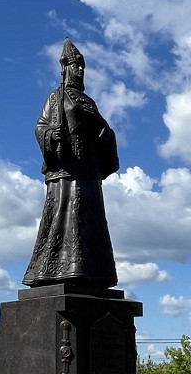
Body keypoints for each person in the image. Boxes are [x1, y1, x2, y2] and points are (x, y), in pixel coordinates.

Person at [23, 38, 119, 288]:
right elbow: (40, 126)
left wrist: (107, 136)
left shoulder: (89, 102)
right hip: (66, 171)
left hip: (89, 171)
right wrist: (51, 135)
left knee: (90, 220)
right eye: (76, 65)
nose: (80, 70)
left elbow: (102, 131)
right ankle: (54, 270)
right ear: (65, 68)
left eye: (82, 66)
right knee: (64, 215)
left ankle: (92, 272)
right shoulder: (56, 97)